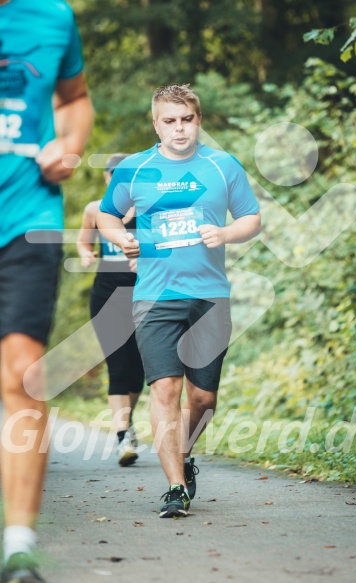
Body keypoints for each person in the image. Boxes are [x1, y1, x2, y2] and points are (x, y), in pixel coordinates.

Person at [97, 84, 261, 518]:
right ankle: (174, 488)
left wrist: (226, 233)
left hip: (209, 295)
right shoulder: (136, 168)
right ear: (156, 124)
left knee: (203, 399)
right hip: (154, 295)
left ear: (198, 120)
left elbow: (251, 216)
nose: (179, 129)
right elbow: (106, 213)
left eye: (186, 119)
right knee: (165, 388)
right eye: (169, 121)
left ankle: (185, 456)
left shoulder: (222, 165)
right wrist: (121, 238)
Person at [0, 1, 93, 581]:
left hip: (26, 217)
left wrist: (71, 143)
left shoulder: (52, 16)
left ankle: (18, 544)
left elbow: (75, 99)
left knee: (22, 371)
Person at [77, 154, 145, 467]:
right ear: (106, 177)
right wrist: (86, 254)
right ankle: (122, 437)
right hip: (106, 296)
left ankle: (126, 424)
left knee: (139, 373)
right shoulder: (95, 209)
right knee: (118, 368)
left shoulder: (147, 208)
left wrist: (147, 257)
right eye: (114, 174)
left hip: (144, 295)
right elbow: (82, 242)